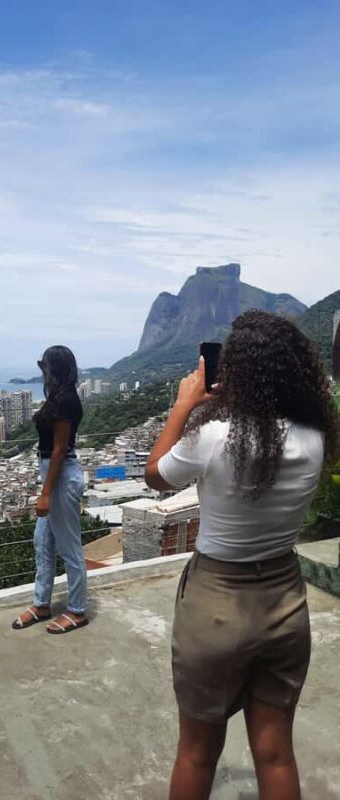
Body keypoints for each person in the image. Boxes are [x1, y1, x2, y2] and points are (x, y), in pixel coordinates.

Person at [145, 310, 338, 800]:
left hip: (215, 605)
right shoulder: (315, 441)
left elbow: (154, 475)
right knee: (275, 752)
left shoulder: (210, 438)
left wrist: (184, 404)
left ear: (237, 373)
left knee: (196, 751)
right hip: (285, 603)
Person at [12, 345, 88, 634]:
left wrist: (45, 493)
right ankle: (42, 604)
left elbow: (59, 450)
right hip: (52, 472)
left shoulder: (66, 399)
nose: (43, 373)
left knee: (69, 547)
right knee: (42, 543)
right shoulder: (58, 397)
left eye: (45, 368)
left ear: (53, 369)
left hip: (61, 474)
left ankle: (77, 610)